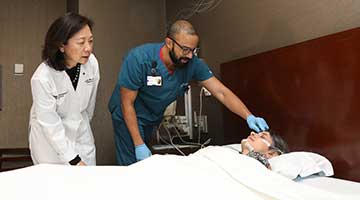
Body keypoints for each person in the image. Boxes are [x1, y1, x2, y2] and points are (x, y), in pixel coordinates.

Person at [108, 20, 269, 166]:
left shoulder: (193, 64)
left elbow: (221, 92)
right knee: (133, 167)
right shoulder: (139, 59)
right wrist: (138, 144)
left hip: (151, 118)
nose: (190, 55)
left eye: (193, 50)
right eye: (185, 49)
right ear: (169, 43)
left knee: (146, 166)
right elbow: (126, 103)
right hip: (127, 114)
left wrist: (248, 116)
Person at [29, 13, 99, 166]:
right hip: (50, 144)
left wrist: (80, 125)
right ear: (61, 46)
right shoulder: (42, 78)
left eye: (91, 41)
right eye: (81, 42)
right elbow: (49, 123)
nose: (88, 48)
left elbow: (89, 108)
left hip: (81, 135)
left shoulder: (92, 64)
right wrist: (74, 159)